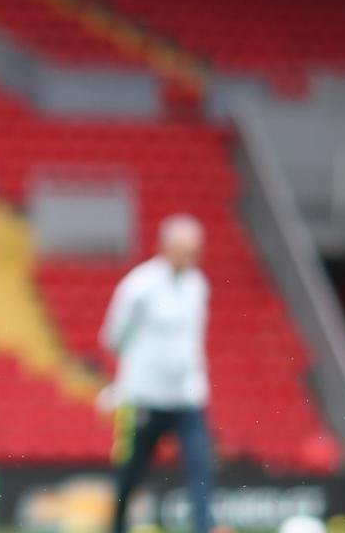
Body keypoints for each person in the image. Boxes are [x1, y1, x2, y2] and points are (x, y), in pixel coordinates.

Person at [99, 214, 215, 533]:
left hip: (188, 397)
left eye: (194, 250)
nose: (190, 257)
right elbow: (113, 337)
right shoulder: (139, 287)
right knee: (131, 474)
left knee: (201, 470)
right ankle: (117, 528)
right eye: (184, 249)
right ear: (165, 247)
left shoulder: (198, 285)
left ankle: (203, 529)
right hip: (145, 399)